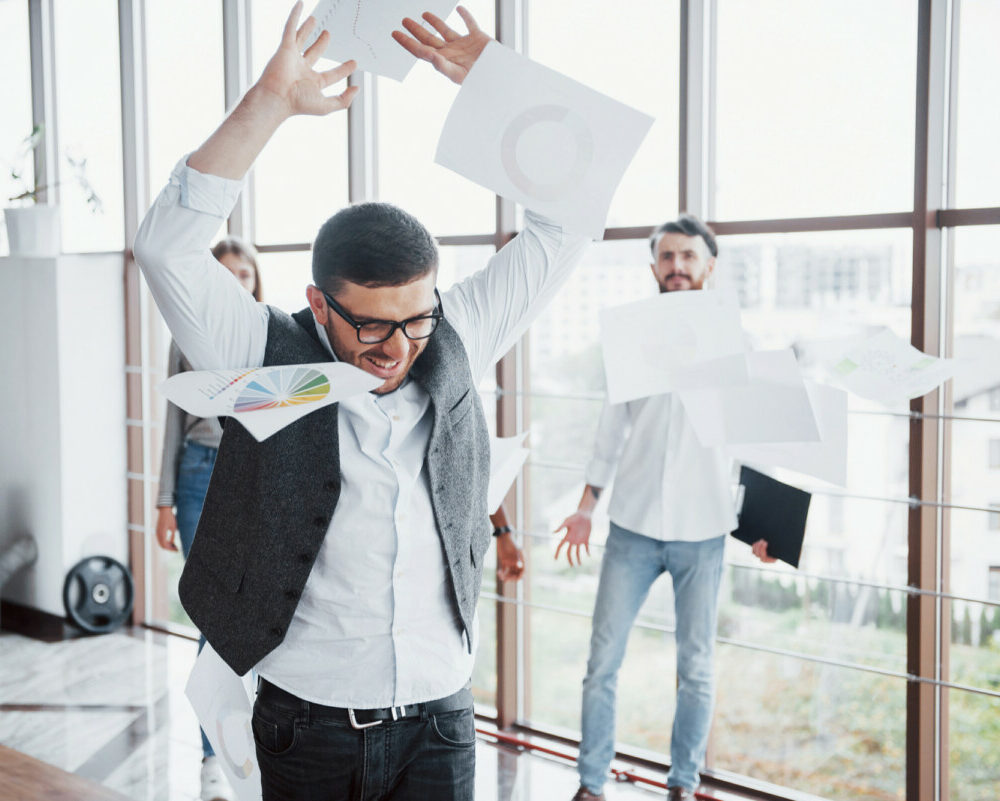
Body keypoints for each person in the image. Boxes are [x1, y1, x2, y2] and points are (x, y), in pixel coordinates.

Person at [133, 5, 588, 800]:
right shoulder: (261, 353)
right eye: (371, 324)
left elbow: (566, 226)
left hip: (441, 718)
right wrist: (269, 102)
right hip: (305, 719)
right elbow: (165, 246)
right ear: (317, 301)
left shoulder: (458, 330)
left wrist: (501, 86)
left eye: (415, 319)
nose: (398, 346)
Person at [555, 214, 774, 801]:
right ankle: (590, 785)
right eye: (668, 257)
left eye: (689, 257)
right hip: (633, 524)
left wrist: (762, 527)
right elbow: (611, 431)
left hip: (704, 529)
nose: (677, 266)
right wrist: (584, 507)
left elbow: (755, 440)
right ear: (654, 267)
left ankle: (683, 786)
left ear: (709, 267)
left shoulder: (739, 344)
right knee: (602, 663)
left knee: (697, 668)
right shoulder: (633, 339)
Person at [154, 236, 261, 801]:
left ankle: (264, 746)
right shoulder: (187, 335)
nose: (236, 282)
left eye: (245, 274)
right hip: (200, 475)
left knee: (263, 616)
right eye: (226, 274)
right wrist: (164, 501)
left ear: (254, 282)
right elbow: (172, 422)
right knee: (212, 622)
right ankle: (212, 754)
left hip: (256, 479)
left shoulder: (271, 335)